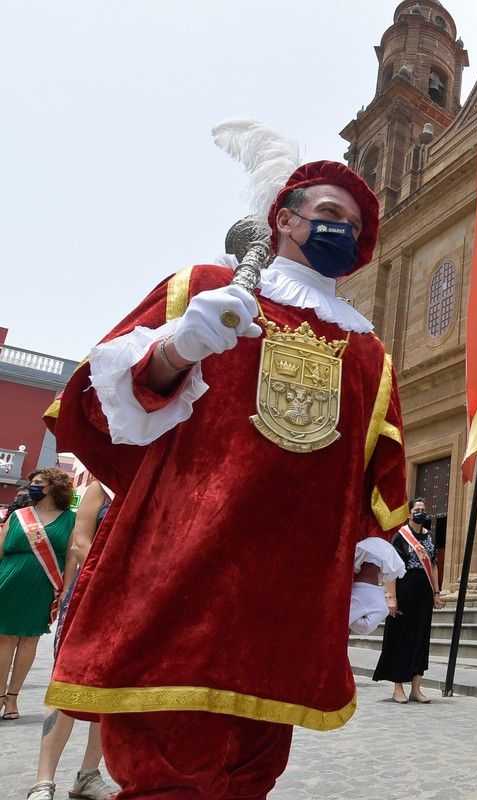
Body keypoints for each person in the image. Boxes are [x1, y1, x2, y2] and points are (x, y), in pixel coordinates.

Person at [44, 160, 408, 797]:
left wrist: (369, 575)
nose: (341, 229)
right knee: (166, 777)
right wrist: (177, 348)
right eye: (329, 214)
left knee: (251, 776)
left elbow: (378, 473)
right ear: (284, 218)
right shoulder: (205, 290)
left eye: (353, 224)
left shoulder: (369, 352)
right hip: (182, 580)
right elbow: (99, 408)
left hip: (289, 604)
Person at [26, 480, 120, 800]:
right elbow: (80, 543)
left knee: (114, 687)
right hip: (91, 594)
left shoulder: (154, 482)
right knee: (68, 679)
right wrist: (119, 576)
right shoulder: (101, 486)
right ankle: (43, 780)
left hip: (134, 601)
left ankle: (89, 775)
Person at [0, 468, 75, 724]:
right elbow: (0, 547)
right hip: (8, 582)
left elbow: (71, 557)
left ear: (55, 487)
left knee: (29, 641)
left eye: (40, 482)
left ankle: (12, 697)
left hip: (43, 585)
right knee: (4, 640)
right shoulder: (19, 515)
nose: (34, 485)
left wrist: (65, 589)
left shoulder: (70, 519)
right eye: (33, 482)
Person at [372, 497, 443, 704]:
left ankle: (416, 688)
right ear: (409, 513)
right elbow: (390, 569)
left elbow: (435, 565)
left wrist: (437, 593)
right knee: (401, 638)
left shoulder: (430, 537)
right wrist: (391, 597)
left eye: (423, 509)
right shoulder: (400, 537)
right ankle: (398, 687)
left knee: (420, 638)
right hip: (404, 592)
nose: (421, 512)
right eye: (417, 509)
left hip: (424, 594)